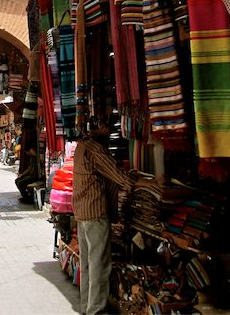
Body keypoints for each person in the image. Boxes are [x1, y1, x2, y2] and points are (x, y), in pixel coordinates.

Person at [73, 116, 166, 315]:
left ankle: (87, 307)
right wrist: (152, 183)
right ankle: (97, 310)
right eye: (108, 127)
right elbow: (120, 177)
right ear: (100, 125)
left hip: (83, 212)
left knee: (88, 264)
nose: (110, 132)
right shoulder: (96, 149)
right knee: (99, 264)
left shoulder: (82, 146)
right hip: (95, 213)